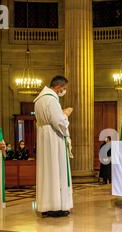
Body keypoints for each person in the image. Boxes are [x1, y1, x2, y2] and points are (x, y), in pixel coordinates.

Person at [34, 75, 73, 218]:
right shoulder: (51, 100)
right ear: (58, 87)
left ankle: (46, 205)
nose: (64, 91)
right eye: (64, 89)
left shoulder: (39, 100)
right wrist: (66, 114)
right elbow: (59, 122)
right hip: (53, 137)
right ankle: (57, 206)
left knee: (47, 171)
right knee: (57, 170)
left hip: (44, 136)